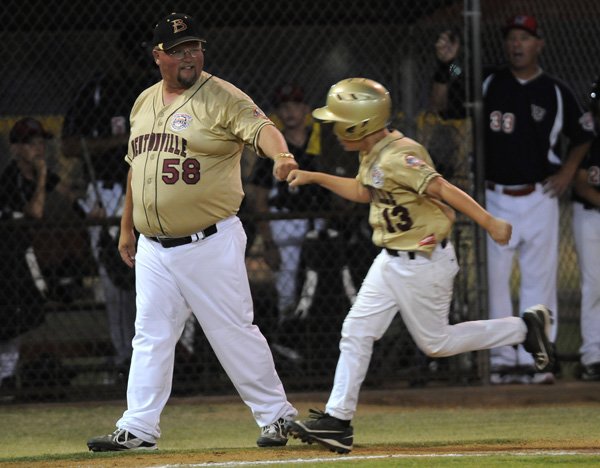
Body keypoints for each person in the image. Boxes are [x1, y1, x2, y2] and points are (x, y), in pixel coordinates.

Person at [283, 77, 555, 454]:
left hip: (423, 261)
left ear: (359, 124)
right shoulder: (373, 149)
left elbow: (442, 188)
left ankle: (524, 329)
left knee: (436, 343)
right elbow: (365, 191)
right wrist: (314, 177)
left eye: (339, 120)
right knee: (356, 331)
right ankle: (337, 420)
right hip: (391, 259)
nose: (333, 127)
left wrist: (489, 222)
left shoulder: (400, 155)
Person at [86, 12, 298, 452]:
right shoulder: (144, 101)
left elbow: (262, 128)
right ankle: (139, 427)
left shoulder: (220, 96)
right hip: (152, 247)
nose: (190, 56)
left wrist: (281, 156)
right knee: (151, 333)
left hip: (209, 242)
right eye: (180, 50)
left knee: (232, 332)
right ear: (158, 56)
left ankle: (279, 417)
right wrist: (127, 229)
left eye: (196, 47)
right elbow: (136, 170)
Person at [482, 15, 594, 384]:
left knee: (539, 283)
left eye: (525, 38)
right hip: (495, 197)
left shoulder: (557, 91)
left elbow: (583, 135)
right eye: (512, 37)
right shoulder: (489, 81)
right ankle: (502, 360)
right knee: (496, 282)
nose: (517, 44)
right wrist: (446, 63)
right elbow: (451, 86)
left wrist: (567, 171)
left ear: (539, 44)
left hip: (539, 197)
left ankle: (539, 360)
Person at [61, 27, 155, 380]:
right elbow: (69, 145)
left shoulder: (155, 89)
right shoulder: (97, 91)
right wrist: (119, 142)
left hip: (152, 188)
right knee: (116, 280)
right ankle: (123, 358)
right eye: (133, 55)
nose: (137, 64)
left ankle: (159, 358)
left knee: (156, 276)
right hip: (109, 191)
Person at [248, 83, 328, 360]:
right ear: (277, 113)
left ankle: (312, 344)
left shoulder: (320, 142)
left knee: (318, 285)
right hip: (283, 221)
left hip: (318, 223)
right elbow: (257, 197)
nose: (290, 111)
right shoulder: (273, 147)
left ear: (306, 110)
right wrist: (268, 241)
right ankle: (286, 344)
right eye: (284, 107)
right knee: (287, 290)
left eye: (295, 105)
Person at [0, 118, 59, 391]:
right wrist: (43, 176)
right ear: (16, 148)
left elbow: (70, 199)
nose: (39, 149)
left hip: (36, 258)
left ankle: (8, 376)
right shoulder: (9, 180)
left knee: (19, 317)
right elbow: (35, 212)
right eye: (31, 143)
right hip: (9, 261)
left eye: (41, 143)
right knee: (11, 318)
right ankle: (6, 377)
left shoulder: (42, 177)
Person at [572, 75, 600, 381]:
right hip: (589, 216)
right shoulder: (588, 134)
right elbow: (580, 185)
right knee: (593, 286)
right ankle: (593, 356)